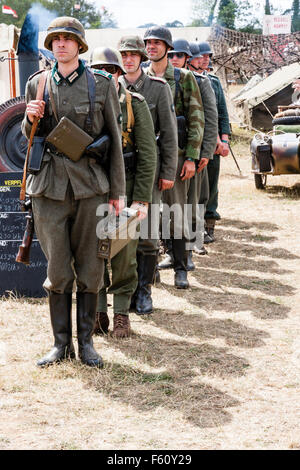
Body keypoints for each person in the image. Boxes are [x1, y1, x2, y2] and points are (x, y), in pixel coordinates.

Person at [21, 17, 126, 368]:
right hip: (49, 188)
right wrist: (28, 117)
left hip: (90, 187)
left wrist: (118, 193)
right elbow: (30, 137)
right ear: (50, 45)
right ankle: (60, 344)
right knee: (58, 271)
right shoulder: (36, 83)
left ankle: (87, 344)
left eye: (68, 40)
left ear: (79, 46)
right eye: (56, 40)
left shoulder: (101, 84)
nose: (61, 45)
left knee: (92, 267)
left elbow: (114, 141)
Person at [90, 47, 157, 337]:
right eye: (99, 69)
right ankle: (97, 312)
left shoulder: (133, 103)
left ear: (119, 73)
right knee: (93, 254)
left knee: (124, 255)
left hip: (126, 190)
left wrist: (141, 198)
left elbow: (147, 155)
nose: (106, 74)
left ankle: (120, 314)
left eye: (112, 69)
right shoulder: (86, 102)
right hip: (91, 189)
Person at [117, 35, 178, 314]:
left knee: (147, 234)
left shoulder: (157, 88)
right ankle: (124, 292)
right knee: (120, 233)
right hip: (119, 172)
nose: (128, 59)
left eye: (133, 54)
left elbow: (168, 134)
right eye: (124, 55)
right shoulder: (111, 87)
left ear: (142, 57)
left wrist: (167, 171)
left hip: (149, 172)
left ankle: (144, 291)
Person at [144, 26, 204, 289]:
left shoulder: (183, 78)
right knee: (148, 215)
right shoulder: (139, 77)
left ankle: (181, 268)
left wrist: (191, 157)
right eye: (148, 43)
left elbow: (196, 119)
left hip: (176, 156)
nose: (152, 47)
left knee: (177, 212)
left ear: (169, 48)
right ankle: (151, 268)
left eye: (158, 43)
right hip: (146, 158)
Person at [165, 39, 218, 267]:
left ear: (187, 58)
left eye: (178, 55)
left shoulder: (200, 81)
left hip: (191, 151)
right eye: (171, 55)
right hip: (170, 153)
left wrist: (204, 152)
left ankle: (193, 244)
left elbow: (209, 118)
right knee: (170, 206)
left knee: (192, 202)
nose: (174, 59)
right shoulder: (159, 81)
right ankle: (171, 250)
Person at [197, 41, 231, 243]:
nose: (205, 59)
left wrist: (224, 140)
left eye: (208, 56)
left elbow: (222, 115)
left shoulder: (214, 81)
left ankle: (209, 224)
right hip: (197, 140)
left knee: (211, 186)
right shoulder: (189, 79)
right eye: (202, 56)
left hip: (214, 143)